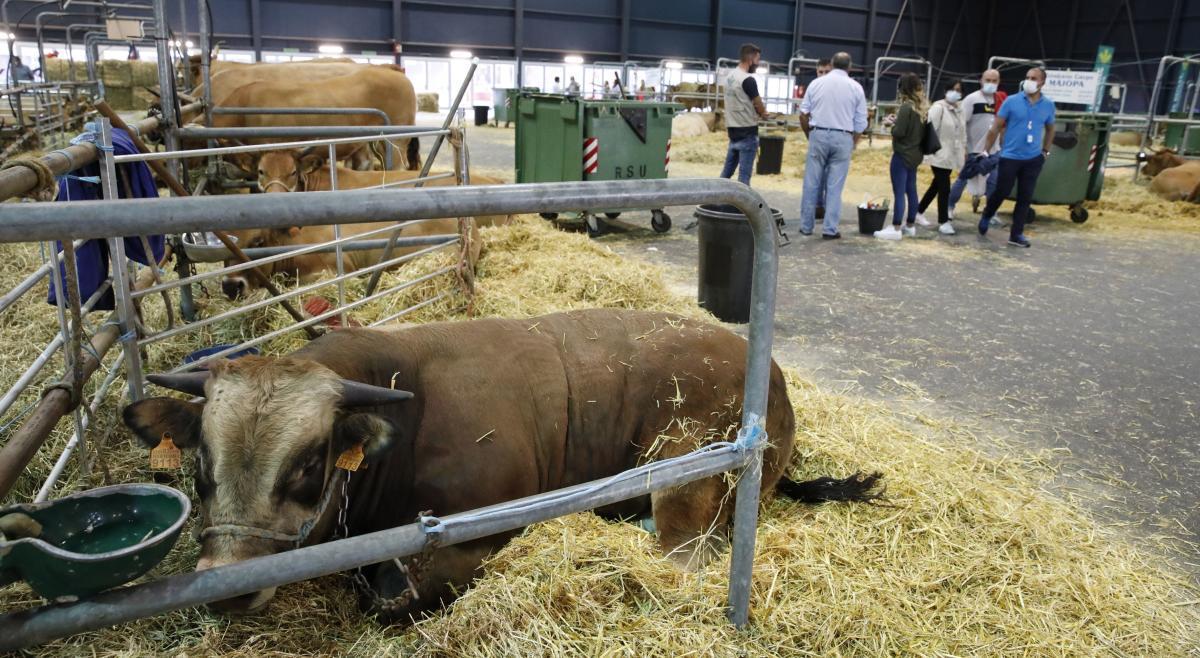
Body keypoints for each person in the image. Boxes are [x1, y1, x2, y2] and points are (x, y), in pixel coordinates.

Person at [977, 67, 1056, 248]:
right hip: (1010, 156)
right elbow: (996, 127)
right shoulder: (1011, 101)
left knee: (1025, 197)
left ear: (1042, 82)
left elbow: (1051, 128)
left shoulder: (1048, 105)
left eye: (1033, 78)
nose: (1029, 80)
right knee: (1002, 190)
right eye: (1027, 77)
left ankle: (1016, 234)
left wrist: (1045, 151)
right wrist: (986, 151)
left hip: (1033, 158)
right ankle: (988, 213)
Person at [798, 51, 867, 239]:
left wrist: (809, 135)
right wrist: (852, 142)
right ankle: (829, 229)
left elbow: (803, 114)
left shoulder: (816, 83)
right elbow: (861, 123)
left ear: (832, 64)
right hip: (843, 136)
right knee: (835, 188)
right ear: (849, 67)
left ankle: (806, 226)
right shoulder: (856, 88)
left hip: (818, 133)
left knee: (811, 183)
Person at [948, 69, 1005, 222]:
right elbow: (961, 124)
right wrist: (964, 147)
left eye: (994, 81)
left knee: (994, 182)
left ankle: (990, 212)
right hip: (974, 150)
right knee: (963, 179)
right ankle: (949, 206)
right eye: (988, 80)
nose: (991, 84)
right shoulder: (972, 99)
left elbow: (1002, 125)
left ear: (999, 82)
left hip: (994, 151)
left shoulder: (1000, 101)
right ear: (981, 80)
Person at [875, 73, 927, 240]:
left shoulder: (906, 107)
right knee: (911, 190)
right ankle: (910, 225)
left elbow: (899, 132)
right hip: (915, 154)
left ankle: (896, 226)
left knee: (899, 191)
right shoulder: (923, 108)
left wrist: (891, 124)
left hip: (902, 154)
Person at [915, 80, 967, 234]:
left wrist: (963, 150)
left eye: (958, 90)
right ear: (946, 90)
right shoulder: (938, 108)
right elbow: (930, 130)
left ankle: (918, 211)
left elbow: (962, 132)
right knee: (944, 188)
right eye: (953, 89)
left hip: (952, 154)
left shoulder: (960, 110)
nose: (955, 93)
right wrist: (930, 152)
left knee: (936, 185)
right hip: (939, 154)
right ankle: (943, 221)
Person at [719, 43, 771, 187]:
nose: (758, 63)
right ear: (750, 58)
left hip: (733, 131)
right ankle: (741, 208)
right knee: (744, 178)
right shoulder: (747, 79)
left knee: (726, 174)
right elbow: (757, 101)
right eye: (757, 59)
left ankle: (716, 201)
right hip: (747, 132)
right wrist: (763, 113)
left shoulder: (729, 77)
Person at [805, 57, 832, 221]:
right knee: (817, 176)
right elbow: (804, 113)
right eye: (820, 72)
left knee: (830, 176)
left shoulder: (838, 89)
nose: (823, 75)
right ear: (816, 72)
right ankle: (818, 207)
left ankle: (827, 209)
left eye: (826, 72)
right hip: (818, 134)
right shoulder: (813, 87)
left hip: (832, 135)